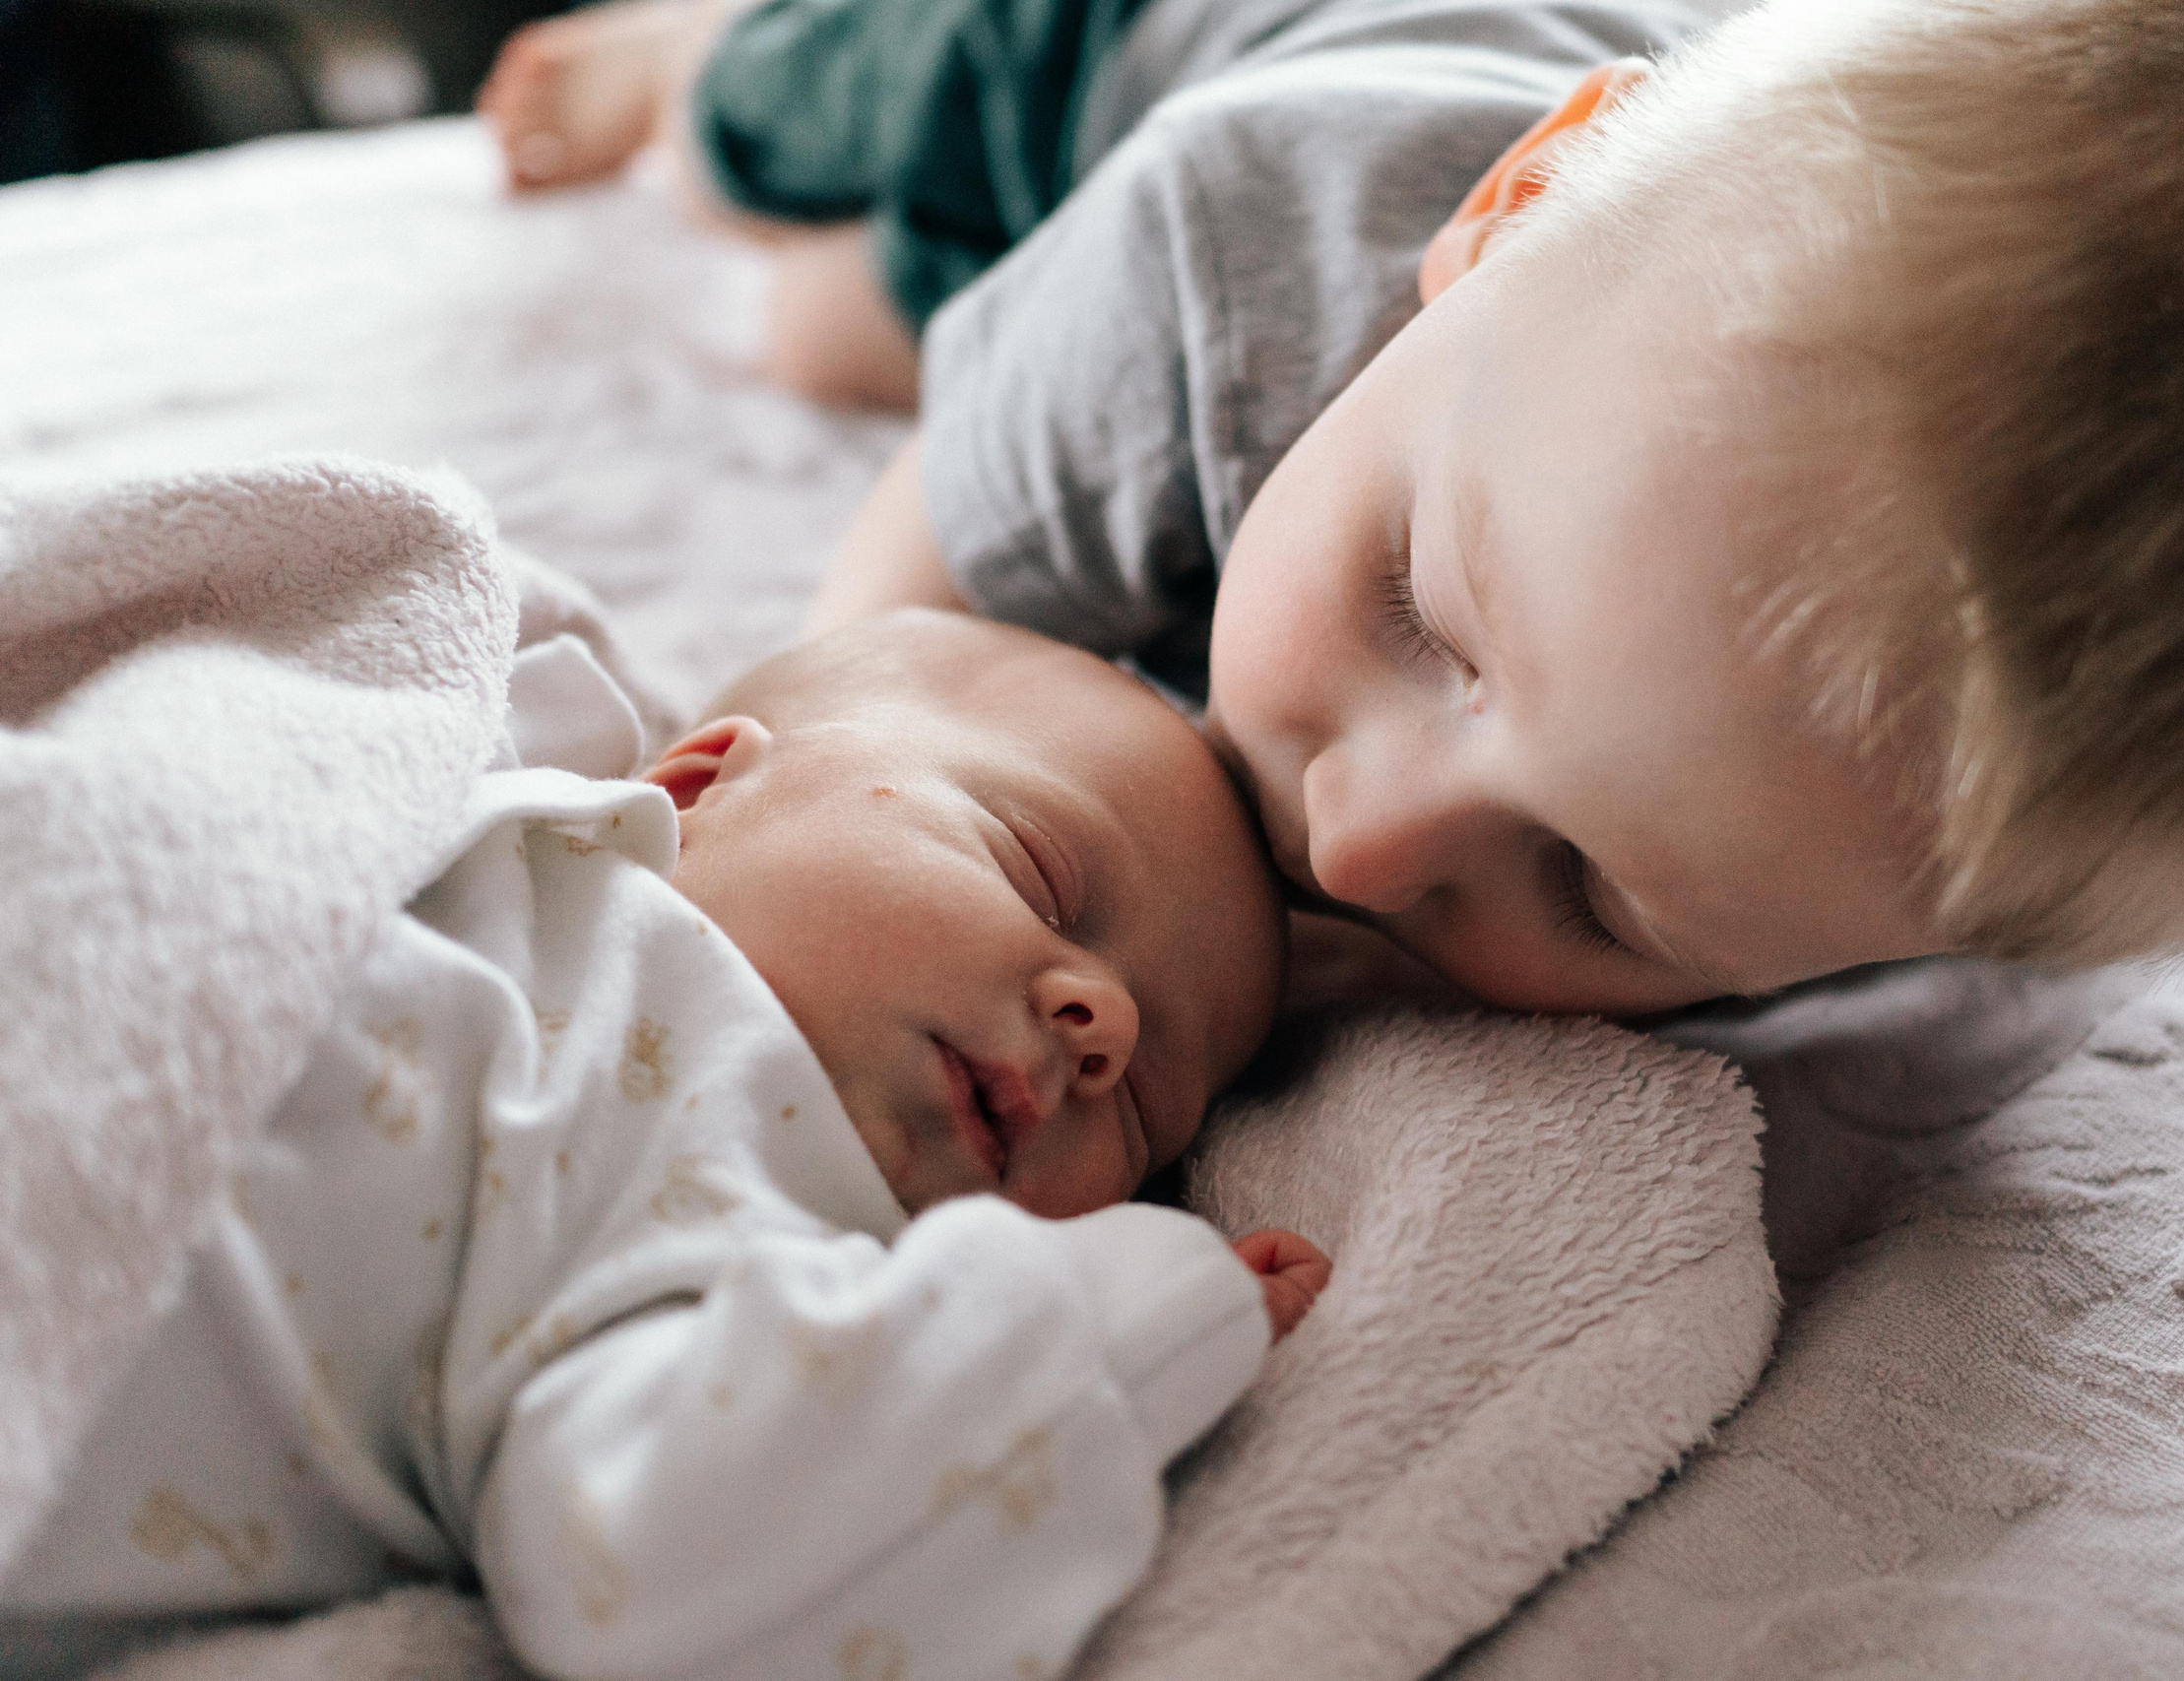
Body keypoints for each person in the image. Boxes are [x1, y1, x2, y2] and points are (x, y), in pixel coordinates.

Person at [481, 0, 2184, 1018]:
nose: (1359, 837)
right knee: (801, 224)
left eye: (1601, 896)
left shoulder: (1870, 863)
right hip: (1123, 46)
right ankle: (691, 49)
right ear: (1504, 215)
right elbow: (886, 662)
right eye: (1417, 609)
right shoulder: (1234, 250)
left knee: (861, 313)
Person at [0, 612, 1322, 1681]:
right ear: (695, 780)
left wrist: (1101, 1329)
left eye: (1146, 1109)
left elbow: (640, 1564)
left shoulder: (750, 1257)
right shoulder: (495, 792)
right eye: (1037, 870)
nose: (1105, 1025)